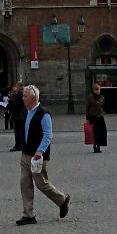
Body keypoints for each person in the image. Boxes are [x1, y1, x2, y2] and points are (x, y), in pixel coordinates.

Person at [16, 84, 70, 226]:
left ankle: (62, 199)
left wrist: (40, 151)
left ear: (33, 98)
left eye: (25, 96)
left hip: (37, 156)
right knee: (25, 183)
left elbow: (48, 135)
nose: (23, 98)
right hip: (26, 154)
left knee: (41, 184)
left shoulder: (44, 114)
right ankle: (28, 214)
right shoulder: (26, 112)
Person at [85, 81, 107, 154]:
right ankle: (95, 147)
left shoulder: (102, 97)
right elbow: (87, 108)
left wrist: (102, 112)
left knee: (101, 132)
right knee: (94, 132)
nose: (97, 91)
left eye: (98, 89)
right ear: (93, 90)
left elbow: (103, 106)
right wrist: (87, 118)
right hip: (92, 117)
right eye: (96, 89)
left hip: (100, 116)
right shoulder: (90, 97)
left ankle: (99, 146)